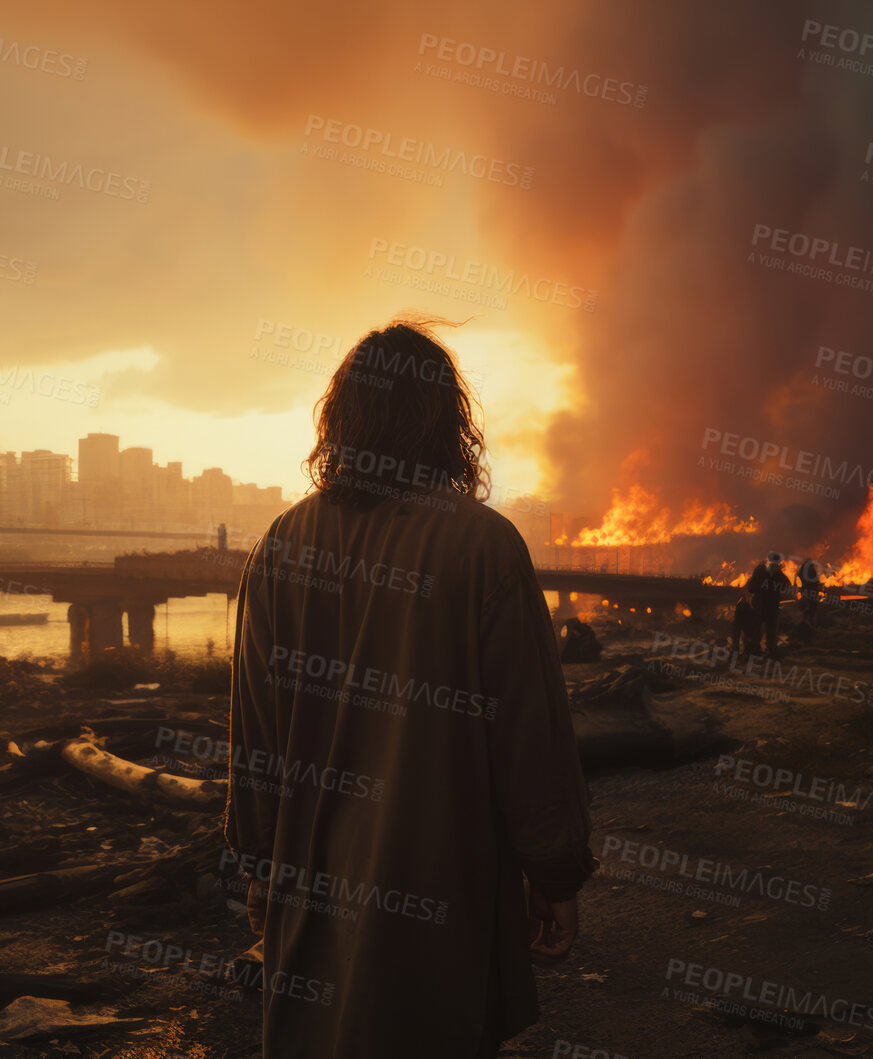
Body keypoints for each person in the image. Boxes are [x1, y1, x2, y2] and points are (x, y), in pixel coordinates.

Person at [225, 319, 597, 1058]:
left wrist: (259, 863)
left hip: (313, 892)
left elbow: (255, 736)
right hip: (441, 895)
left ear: (341, 420)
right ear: (447, 422)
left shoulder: (280, 545)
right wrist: (554, 874)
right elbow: (530, 734)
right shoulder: (484, 546)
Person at [742, 553, 791, 656]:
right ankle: (754, 650)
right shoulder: (761, 571)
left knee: (769, 629)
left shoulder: (775, 573)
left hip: (770, 605)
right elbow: (752, 588)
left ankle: (768, 650)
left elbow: (786, 585)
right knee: (759, 628)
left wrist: (779, 574)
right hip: (762, 604)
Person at [797, 556, 822, 626]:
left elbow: (799, 577)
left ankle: (806, 621)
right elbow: (815, 580)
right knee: (812, 608)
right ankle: (810, 622)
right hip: (812, 592)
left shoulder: (802, 570)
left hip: (805, 591)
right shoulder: (811, 570)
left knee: (807, 607)